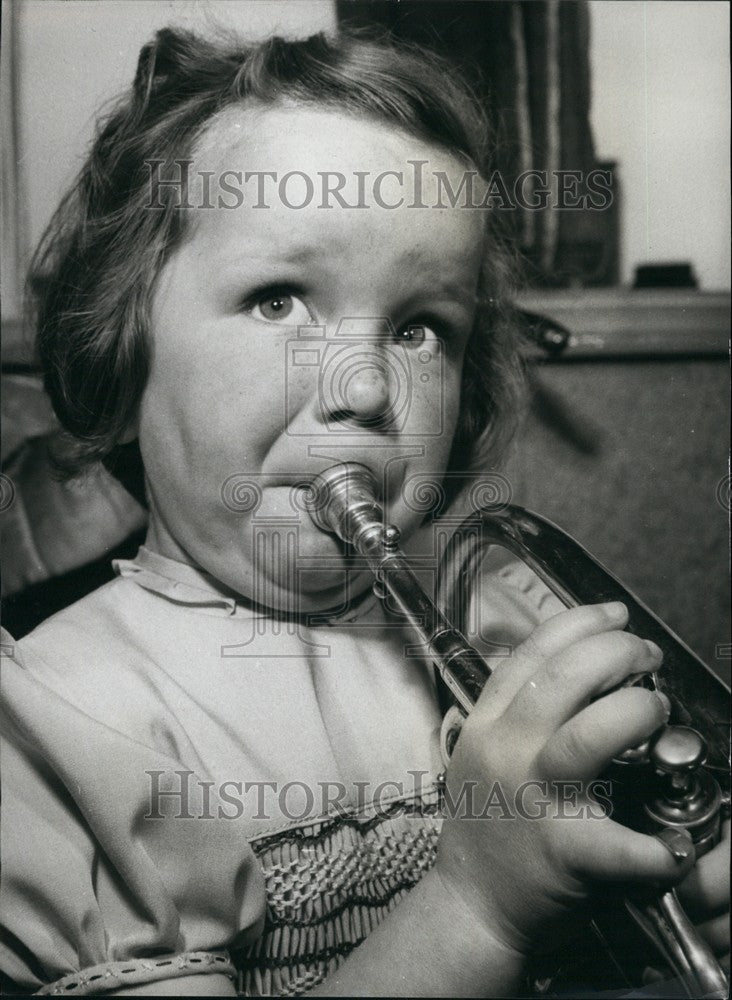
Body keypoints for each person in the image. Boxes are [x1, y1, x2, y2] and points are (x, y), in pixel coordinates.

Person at [1, 26, 727, 998]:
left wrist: (665, 882)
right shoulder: (64, 721)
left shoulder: (486, 641)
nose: (364, 388)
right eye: (277, 299)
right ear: (122, 356)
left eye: (421, 326)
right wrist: (478, 903)